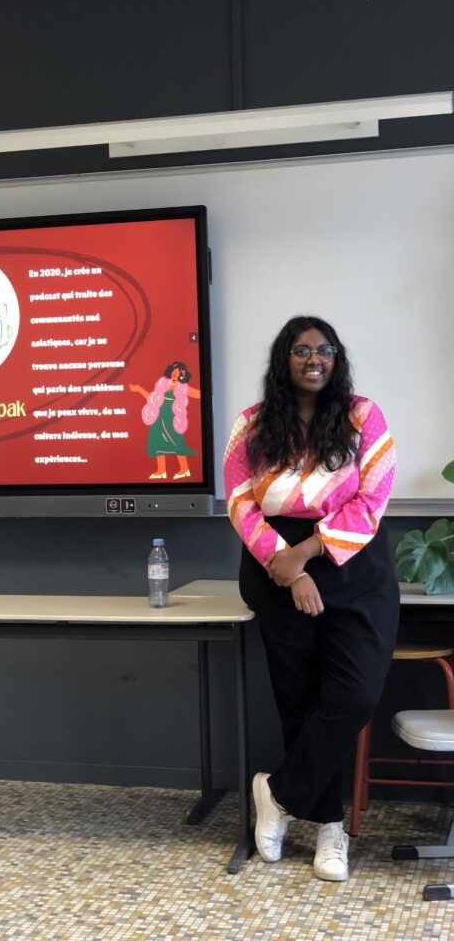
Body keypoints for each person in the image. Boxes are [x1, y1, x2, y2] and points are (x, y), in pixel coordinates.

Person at [223, 315, 399, 881]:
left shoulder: (363, 416)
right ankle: (328, 827)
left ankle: (278, 793)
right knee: (298, 701)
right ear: (284, 359)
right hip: (274, 569)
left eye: (324, 350)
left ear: (336, 358)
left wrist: (308, 554)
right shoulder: (251, 425)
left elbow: (372, 498)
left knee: (354, 695)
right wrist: (290, 569)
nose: (313, 359)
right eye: (301, 351)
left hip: (354, 568)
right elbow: (240, 501)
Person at [129, 361, 201, 479]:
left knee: (177, 442)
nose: (175, 373)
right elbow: (151, 398)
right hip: (158, 419)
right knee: (157, 443)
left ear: (182, 374)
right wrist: (139, 389)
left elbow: (199, 394)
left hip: (172, 419)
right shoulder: (163, 385)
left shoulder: (183, 388)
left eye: (178, 372)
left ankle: (185, 469)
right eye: (174, 371)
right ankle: (161, 471)